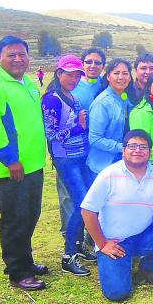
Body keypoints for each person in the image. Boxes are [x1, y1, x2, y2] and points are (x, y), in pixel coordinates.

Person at [0, 36, 47, 291]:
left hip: (33, 165)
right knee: (15, 219)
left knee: (30, 215)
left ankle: (25, 261)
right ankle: (18, 272)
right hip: (12, 169)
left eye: (22, 54)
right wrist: (9, 159)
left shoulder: (28, 84)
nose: (18, 59)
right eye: (11, 54)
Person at [80, 130, 153, 301]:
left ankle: (146, 265)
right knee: (117, 293)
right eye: (132, 146)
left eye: (143, 147)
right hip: (115, 242)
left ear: (150, 152)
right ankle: (123, 266)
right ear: (123, 150)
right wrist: (102, 243)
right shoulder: (108, 174)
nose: (138, 150)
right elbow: (87, 210)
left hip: (144, 235)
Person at [41, 55, 95, 276]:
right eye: (69, 74)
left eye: (77, 75)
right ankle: (68, 255)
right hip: (66, 159)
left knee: (85, 202)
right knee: (83, 204)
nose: (73, 78)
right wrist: (79, 127)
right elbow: (51, 135)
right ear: (59, 73)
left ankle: (79, 246)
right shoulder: (52, 99)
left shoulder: (72, 96)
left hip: (80, 156)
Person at [57, 46, 106, 243]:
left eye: (98, 62)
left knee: (91, 195)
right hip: (68, 152)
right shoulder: (69, 85)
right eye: (89, 62)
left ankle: (90, 238)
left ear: (103, 66)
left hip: (93, 151)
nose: (93, 66)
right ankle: (70, 238)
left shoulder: (105, 84)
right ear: (82, 64)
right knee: (70, 197)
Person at [87, 59, 133, 177]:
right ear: (108, 76)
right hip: (102, 167)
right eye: (116, 73)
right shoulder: (102, 103)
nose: (121, 77)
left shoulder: (125, 99)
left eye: (125, 73)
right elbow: (95, 139)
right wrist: (123, 147)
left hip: (122, 164)